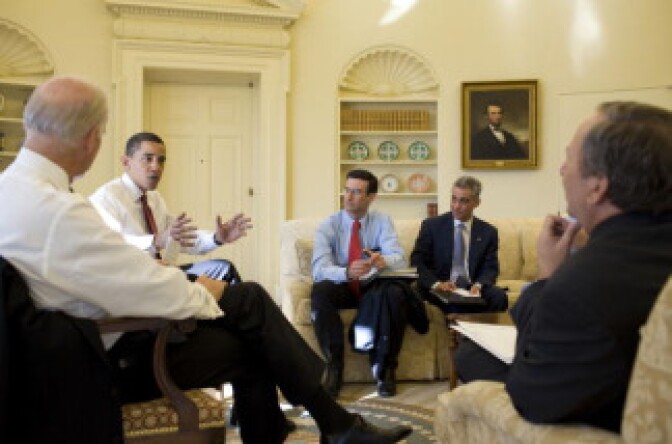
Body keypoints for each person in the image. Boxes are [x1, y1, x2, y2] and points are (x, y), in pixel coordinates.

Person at [0, 76, 412, 444]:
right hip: (97, 358)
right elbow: (136, 283)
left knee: (252, 331)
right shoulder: (63, 208)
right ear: (93, 139)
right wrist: (202, 292)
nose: (155, 166)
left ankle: (333, 422)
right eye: (147, 158)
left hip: (66, 348)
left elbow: (138, 260)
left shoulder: (13, 190)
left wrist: (211, 244)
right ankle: (335, 420)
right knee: (248, 308)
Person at [455, 101, 672, 433]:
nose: (560, 170)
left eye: (569, 157)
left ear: (597, 186)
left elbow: (533, 397)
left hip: (600, 413)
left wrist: (548, 277)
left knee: (469, 356)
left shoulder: (579, 286)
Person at [90, 131, 247, 284]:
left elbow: (180, 237)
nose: (156, 167)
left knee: (224, 269)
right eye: (148, 159)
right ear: (126, 162)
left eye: (161, 160)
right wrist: (156, 241)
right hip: (131, 280)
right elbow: (111, 246)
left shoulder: (154, 198)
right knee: (251, 295)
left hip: (160, 273)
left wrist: (217, 238)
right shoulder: (106, 198)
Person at [311, 169, 409, 398]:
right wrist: (346, 271)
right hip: (342, 284)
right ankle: (334, 367)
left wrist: (383, 261)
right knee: (320, 291)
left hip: (372, 284)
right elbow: (318, 269)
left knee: (394, 294)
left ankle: (385, 369)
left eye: (356, 192)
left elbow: (400, 259)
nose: (348, 197)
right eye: (347, 190)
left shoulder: (382, 221)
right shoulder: (329, 225)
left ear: (370, 197)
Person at [410, 175, 509, 313]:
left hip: (471, 288)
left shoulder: (488, 232)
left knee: (499, 297)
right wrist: (437, 284)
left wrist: (479, 285)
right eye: (454, 199)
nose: (456, 206)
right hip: (441, 287)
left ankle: (482, 333)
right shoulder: (432, 226)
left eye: (463, 201)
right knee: (452, 303)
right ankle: (461, 332)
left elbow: (490, 267)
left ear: (477, 202)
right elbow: (417, 262)